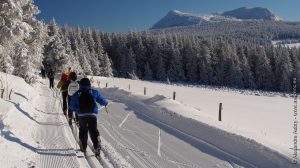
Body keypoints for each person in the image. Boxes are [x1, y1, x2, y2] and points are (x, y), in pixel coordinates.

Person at [69, 78, 108, 156]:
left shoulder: (77, 93)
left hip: (81, 116)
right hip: (92, 115)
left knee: (83, 130)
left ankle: (83, 147)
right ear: (89, 84)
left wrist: (75, 109)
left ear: (80, 85)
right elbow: (103, 101)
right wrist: (105, 103)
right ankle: (97, 146)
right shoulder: (94, 92)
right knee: (93, 130)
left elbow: (71, 106)